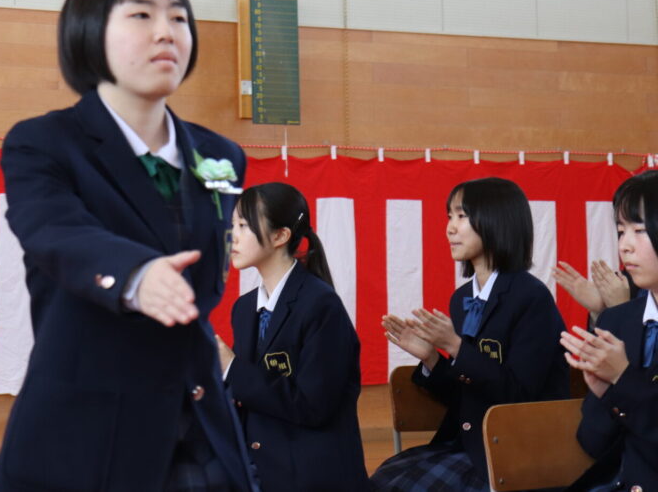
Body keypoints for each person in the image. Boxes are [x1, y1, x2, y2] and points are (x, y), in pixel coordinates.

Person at [0, 0, 257, 492]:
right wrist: (136, 274)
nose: (166, 32)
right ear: (90, 30)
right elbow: (56, 231)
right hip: (86, 437)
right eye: (141, 15)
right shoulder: (43, 143)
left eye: (178, 16)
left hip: (200, 428)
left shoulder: (221, 154)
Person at [372, 177, 569, 492]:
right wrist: (431, 358)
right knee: (381, 481)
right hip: (469, 443)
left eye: (461, 216)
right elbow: (465, 396)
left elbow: (519, 396)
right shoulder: (462, 299)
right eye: (449, 216)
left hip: (515, 453)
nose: (450, 228)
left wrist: (455, 347)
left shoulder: (531, 298)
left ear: (496, 221)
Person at [217, 182, 370, 492]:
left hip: (310, 474)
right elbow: (248, 395)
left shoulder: (321, 305)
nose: (233, 235)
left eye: (244, 225)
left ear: (280, 236)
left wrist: (231, 367)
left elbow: (313, 406)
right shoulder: (244, 308)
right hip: (259, 463)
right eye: (233, 224)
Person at [562, 170, 658, 491]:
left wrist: (623, 380)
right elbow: (591, 442)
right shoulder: (616, 321)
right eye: (620, 231)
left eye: (640, 230)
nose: (625, 246)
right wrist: (606, 393)